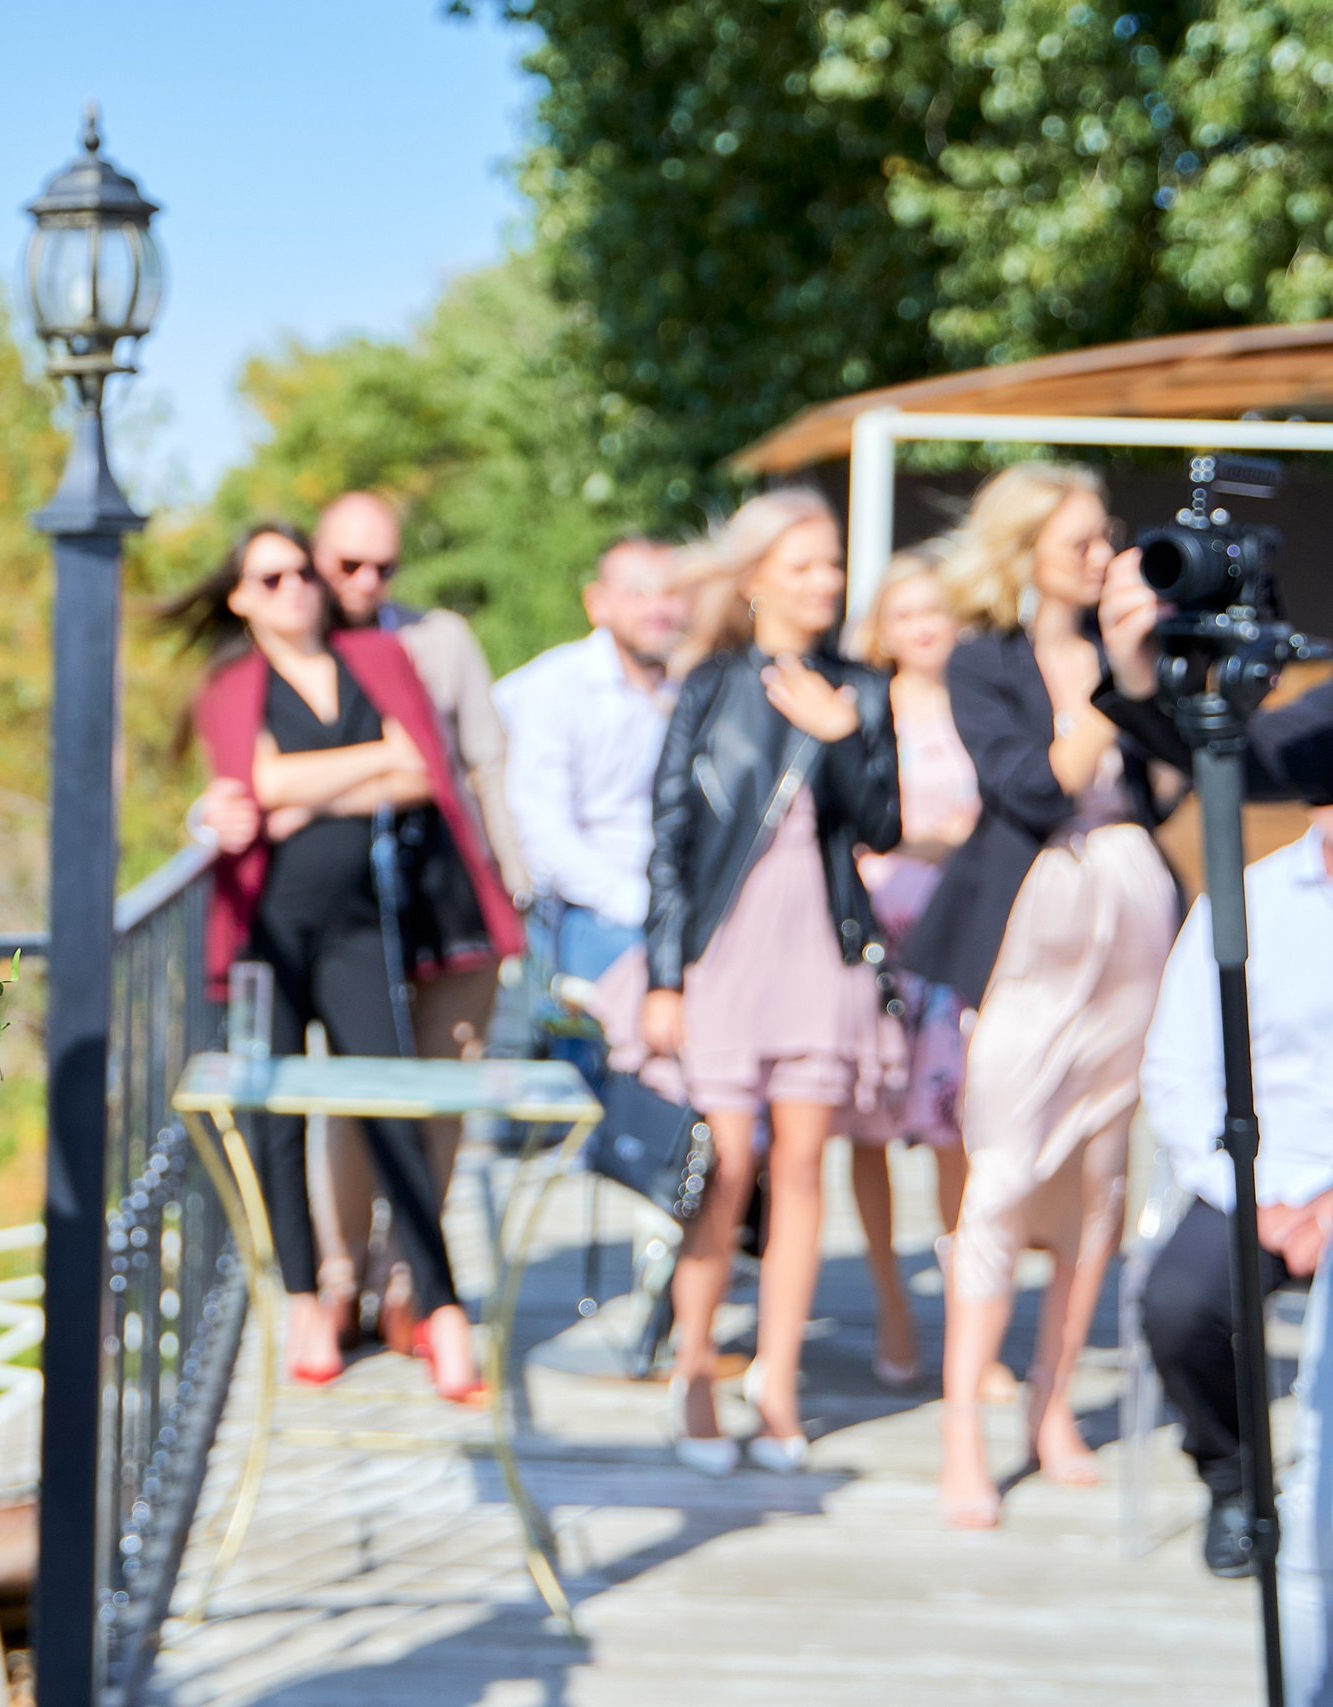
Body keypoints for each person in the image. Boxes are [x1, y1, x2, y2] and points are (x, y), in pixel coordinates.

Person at [175, 523, 523, 1403]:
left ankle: (441, 1308)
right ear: (241, 596)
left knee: (390, 1102)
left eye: (304, 571)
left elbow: (421, 768)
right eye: (272, 575)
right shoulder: (233, 685)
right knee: (273, 1117)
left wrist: (297, 783)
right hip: (266, 924)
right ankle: (303, 1303)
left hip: (364, 924)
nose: (296, 586)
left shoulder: (375, 658)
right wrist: (343, 776)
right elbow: (254, 795)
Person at [904, 462, 1179, 1531]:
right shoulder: (983, 664)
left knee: (1098, 1182)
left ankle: (1053, 1408)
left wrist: (1139, 675)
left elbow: (1161, 782)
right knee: (1002, 1173)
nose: (1100, 555)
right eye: (1077, 543)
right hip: (1028, 948)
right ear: (1024, 554)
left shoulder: (1139, 661)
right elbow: (1033, 786)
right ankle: (963, 1431)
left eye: (1104, 537)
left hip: (1129, 942)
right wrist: (1110, 680)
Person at [627, 490, 901, 1476]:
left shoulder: (864, 687)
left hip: (818, 950)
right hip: (727, 946)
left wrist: (845, 735)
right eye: (802, 566)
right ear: (753, 581)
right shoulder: (707, 685)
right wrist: (664, 975)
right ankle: (694, 1362)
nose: (824, 582)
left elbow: (883, 828)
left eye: (831, 565)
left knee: (799, 1169)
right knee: (726, 1166)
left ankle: (775, 1378)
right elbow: (666, 840)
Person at [1140, 808, 1333, 1576]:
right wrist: (1260, 1198)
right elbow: (1178, 1072)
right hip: (1262, 1177)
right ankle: (1234, 1481)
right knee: (1179, 1305)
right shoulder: (1245, 899)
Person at [845, 549, 981, 1389]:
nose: (924, 626)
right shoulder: (863, 708)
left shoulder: (984, 704)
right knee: (867, 1127)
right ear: (883, 628)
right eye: (906, 612)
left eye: (937, 609)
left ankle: (973, 1324)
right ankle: (891, 1302)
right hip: (872, 943)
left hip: (958, 939)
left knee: (955, 1131)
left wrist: (926, 842)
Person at [496, 536, 685, 985]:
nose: (657, 609)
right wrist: (641, 904)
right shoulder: (554, 686)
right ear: (597, 604)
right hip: (584, 909)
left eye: (672, 593)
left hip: (676, 900)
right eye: (638, 593)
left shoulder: (697, 685)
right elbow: (544, 837)